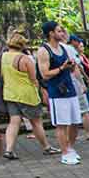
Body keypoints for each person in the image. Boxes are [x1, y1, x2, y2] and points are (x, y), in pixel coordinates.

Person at [0, 32, 59, 159]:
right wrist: (41, 91)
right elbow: (33, 78)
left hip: (10, 93)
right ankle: (46, 147)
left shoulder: (2, 57)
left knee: (14, 121)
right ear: (22, 45)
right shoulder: (25, 59)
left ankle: (9, 149)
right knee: (36, 122)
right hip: (27, 94)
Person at [36, 21, 83, 165]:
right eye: (59, 31)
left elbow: (73, 66)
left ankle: (69, 147)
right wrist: (61, 68)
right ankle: (64, 153)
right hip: (57, 91)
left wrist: (72, 69)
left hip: (70, 88)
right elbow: (44, 74)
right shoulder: (44, 50)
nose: (62, 33)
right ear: (51, 33)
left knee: (75, 122)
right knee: (62, 124)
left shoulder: (63, 48)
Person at [68, 35, 89, 140]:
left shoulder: (75, 54)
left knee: (82, 108)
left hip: (72, 83)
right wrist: (83, 83)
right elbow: (77, 69)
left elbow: (83, 69)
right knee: (84, 109)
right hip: (75, 83)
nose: (80, 46)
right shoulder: (70, 51)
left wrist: (88, 80)